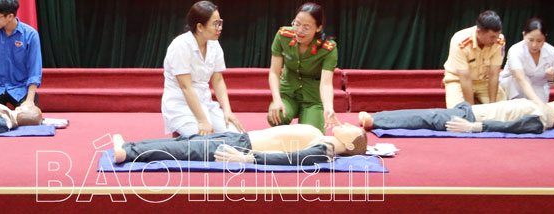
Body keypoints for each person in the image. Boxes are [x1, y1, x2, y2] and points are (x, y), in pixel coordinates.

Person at [112, 118, 367, 166]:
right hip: (241, 138)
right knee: (186, 141)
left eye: (351, 130)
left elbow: (290, 159)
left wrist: (247, 158)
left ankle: (128, 152)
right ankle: (132, 146)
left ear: (350, 145)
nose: (346, 124)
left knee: (182, 149)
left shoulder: (325, 151)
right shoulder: (324, 139)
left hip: (242, 147)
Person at [161, 0, 242, 137]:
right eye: (215, 24)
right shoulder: (180, 45)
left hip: (206, 103)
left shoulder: (214, 44)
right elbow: (186, 87)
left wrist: (227, 111)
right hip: (181, 106)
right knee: (204, 142)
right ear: (200, 27)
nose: (220, 28)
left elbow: (218, 80)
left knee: (238, 136)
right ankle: (180, 133)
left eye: (220, 23)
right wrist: (202, 120)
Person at [268, 2, 338, 132]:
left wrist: (328, 107)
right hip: (287, 93)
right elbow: (274, 72)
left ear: (318, 28)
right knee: (276, 117)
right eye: (297, 24)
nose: (299, 31)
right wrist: (277, 99)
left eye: (306, 27)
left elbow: (326, 84)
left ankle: (309, 117)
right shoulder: (283, 36)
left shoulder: (328, 48)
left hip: (312, 98)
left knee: (312, 133)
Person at [357, 97, 554, 135]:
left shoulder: (540, 121)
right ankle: (379, 117)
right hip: (471, 111)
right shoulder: (540, 112)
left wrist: (474, 127)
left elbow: (510, 127)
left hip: (471, 118)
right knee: (427, 114)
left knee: (427, 117)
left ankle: (376, 121)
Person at [443, 10, 507, 108]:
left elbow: (494, 74)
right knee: (459, 112)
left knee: (502, 110)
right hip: (458, 80)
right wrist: (471, 109)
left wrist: (493, 106)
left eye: (497, 36)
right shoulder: (460, 40)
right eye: (492, 37)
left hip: (484, 80)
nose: (495, 40)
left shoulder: (499, 40)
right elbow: (465, 78)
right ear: (478, 32)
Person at [499, 18, 554, 104]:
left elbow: (553, 83)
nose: (534, 45)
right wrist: (539, 103)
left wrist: (551, 78)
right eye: (531, 40)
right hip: (513, 88)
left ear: (545, 36)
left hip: (538, 91)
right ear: (524, 35)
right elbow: (521, 80)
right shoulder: (515, 50)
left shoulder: (552, 52)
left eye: (539, 41)